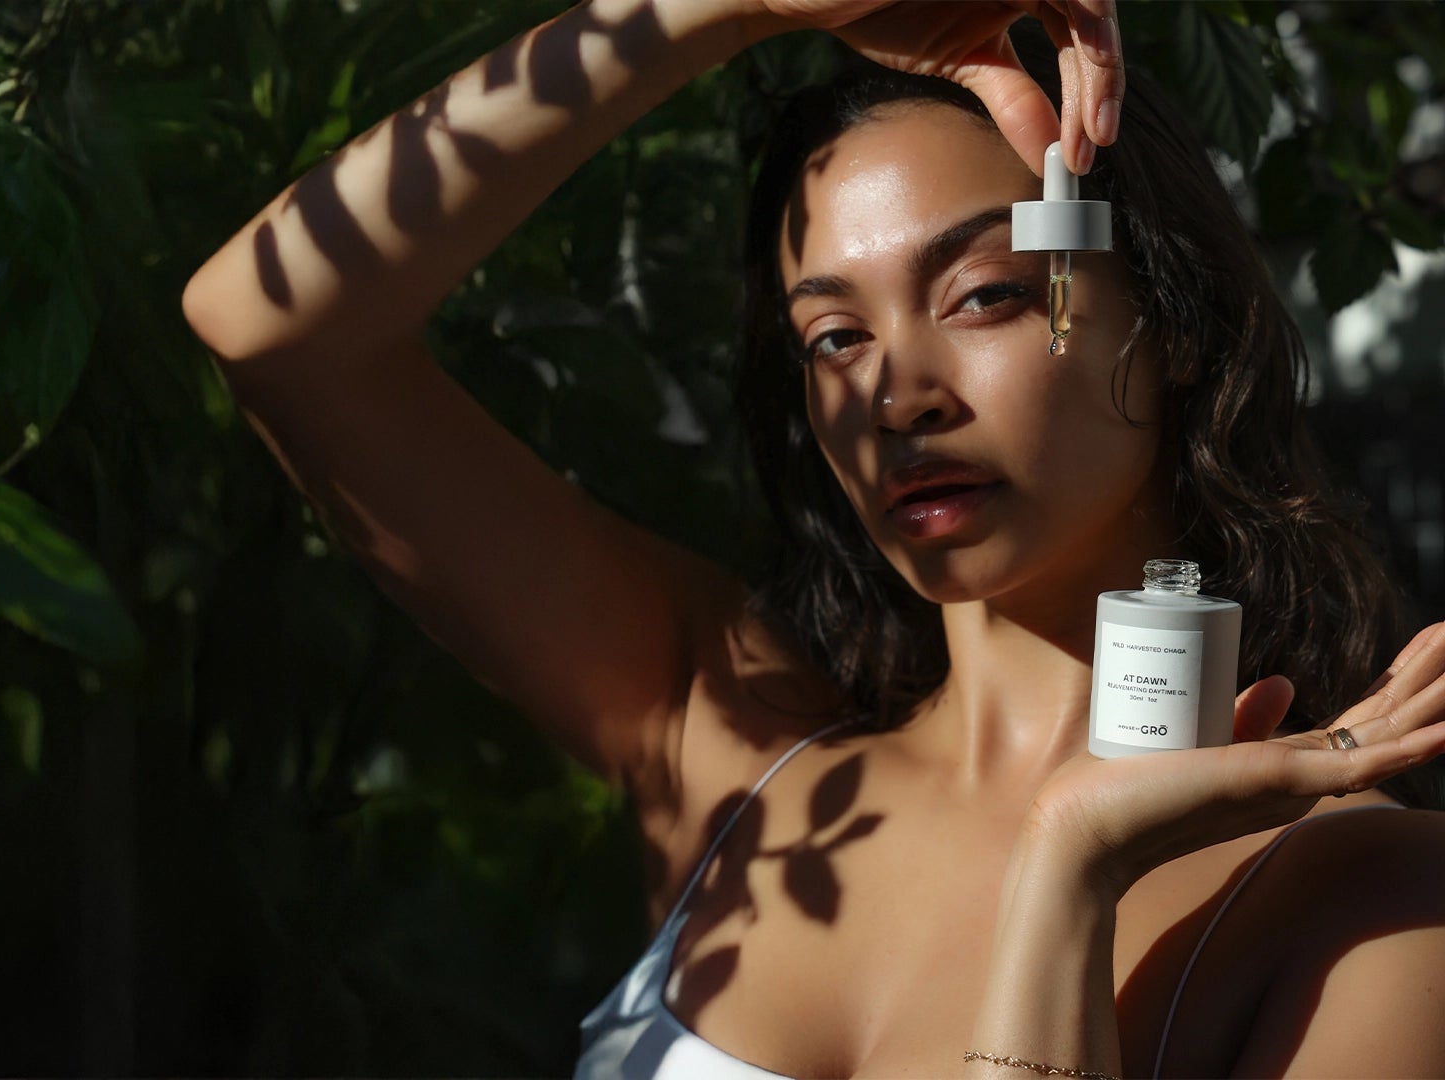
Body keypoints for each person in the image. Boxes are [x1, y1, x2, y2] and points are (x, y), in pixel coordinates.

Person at [182, 1, 1445, 1075]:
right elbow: (277, 327)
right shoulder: (730, 746)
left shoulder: (1369, 905)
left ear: (1169, 323)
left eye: (987, 295)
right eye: (833, 337)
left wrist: (1073, 876)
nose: (898, 395)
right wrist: (729, 8)